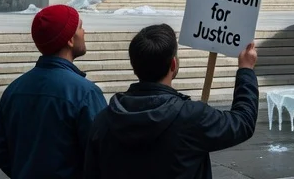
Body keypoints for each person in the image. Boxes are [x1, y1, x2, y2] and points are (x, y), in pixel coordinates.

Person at [84, 25, 257, 179]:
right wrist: (246, 70)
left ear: (134, 65)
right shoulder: (192, 116)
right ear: (173, 64)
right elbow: (242, 122)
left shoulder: (103, 120)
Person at [0, 5, 106, 179]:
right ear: (70, 40)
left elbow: (2, 151)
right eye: (80, 27)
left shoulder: (14, 90)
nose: (84, 32)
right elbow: (101, 155)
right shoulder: (85, 92)